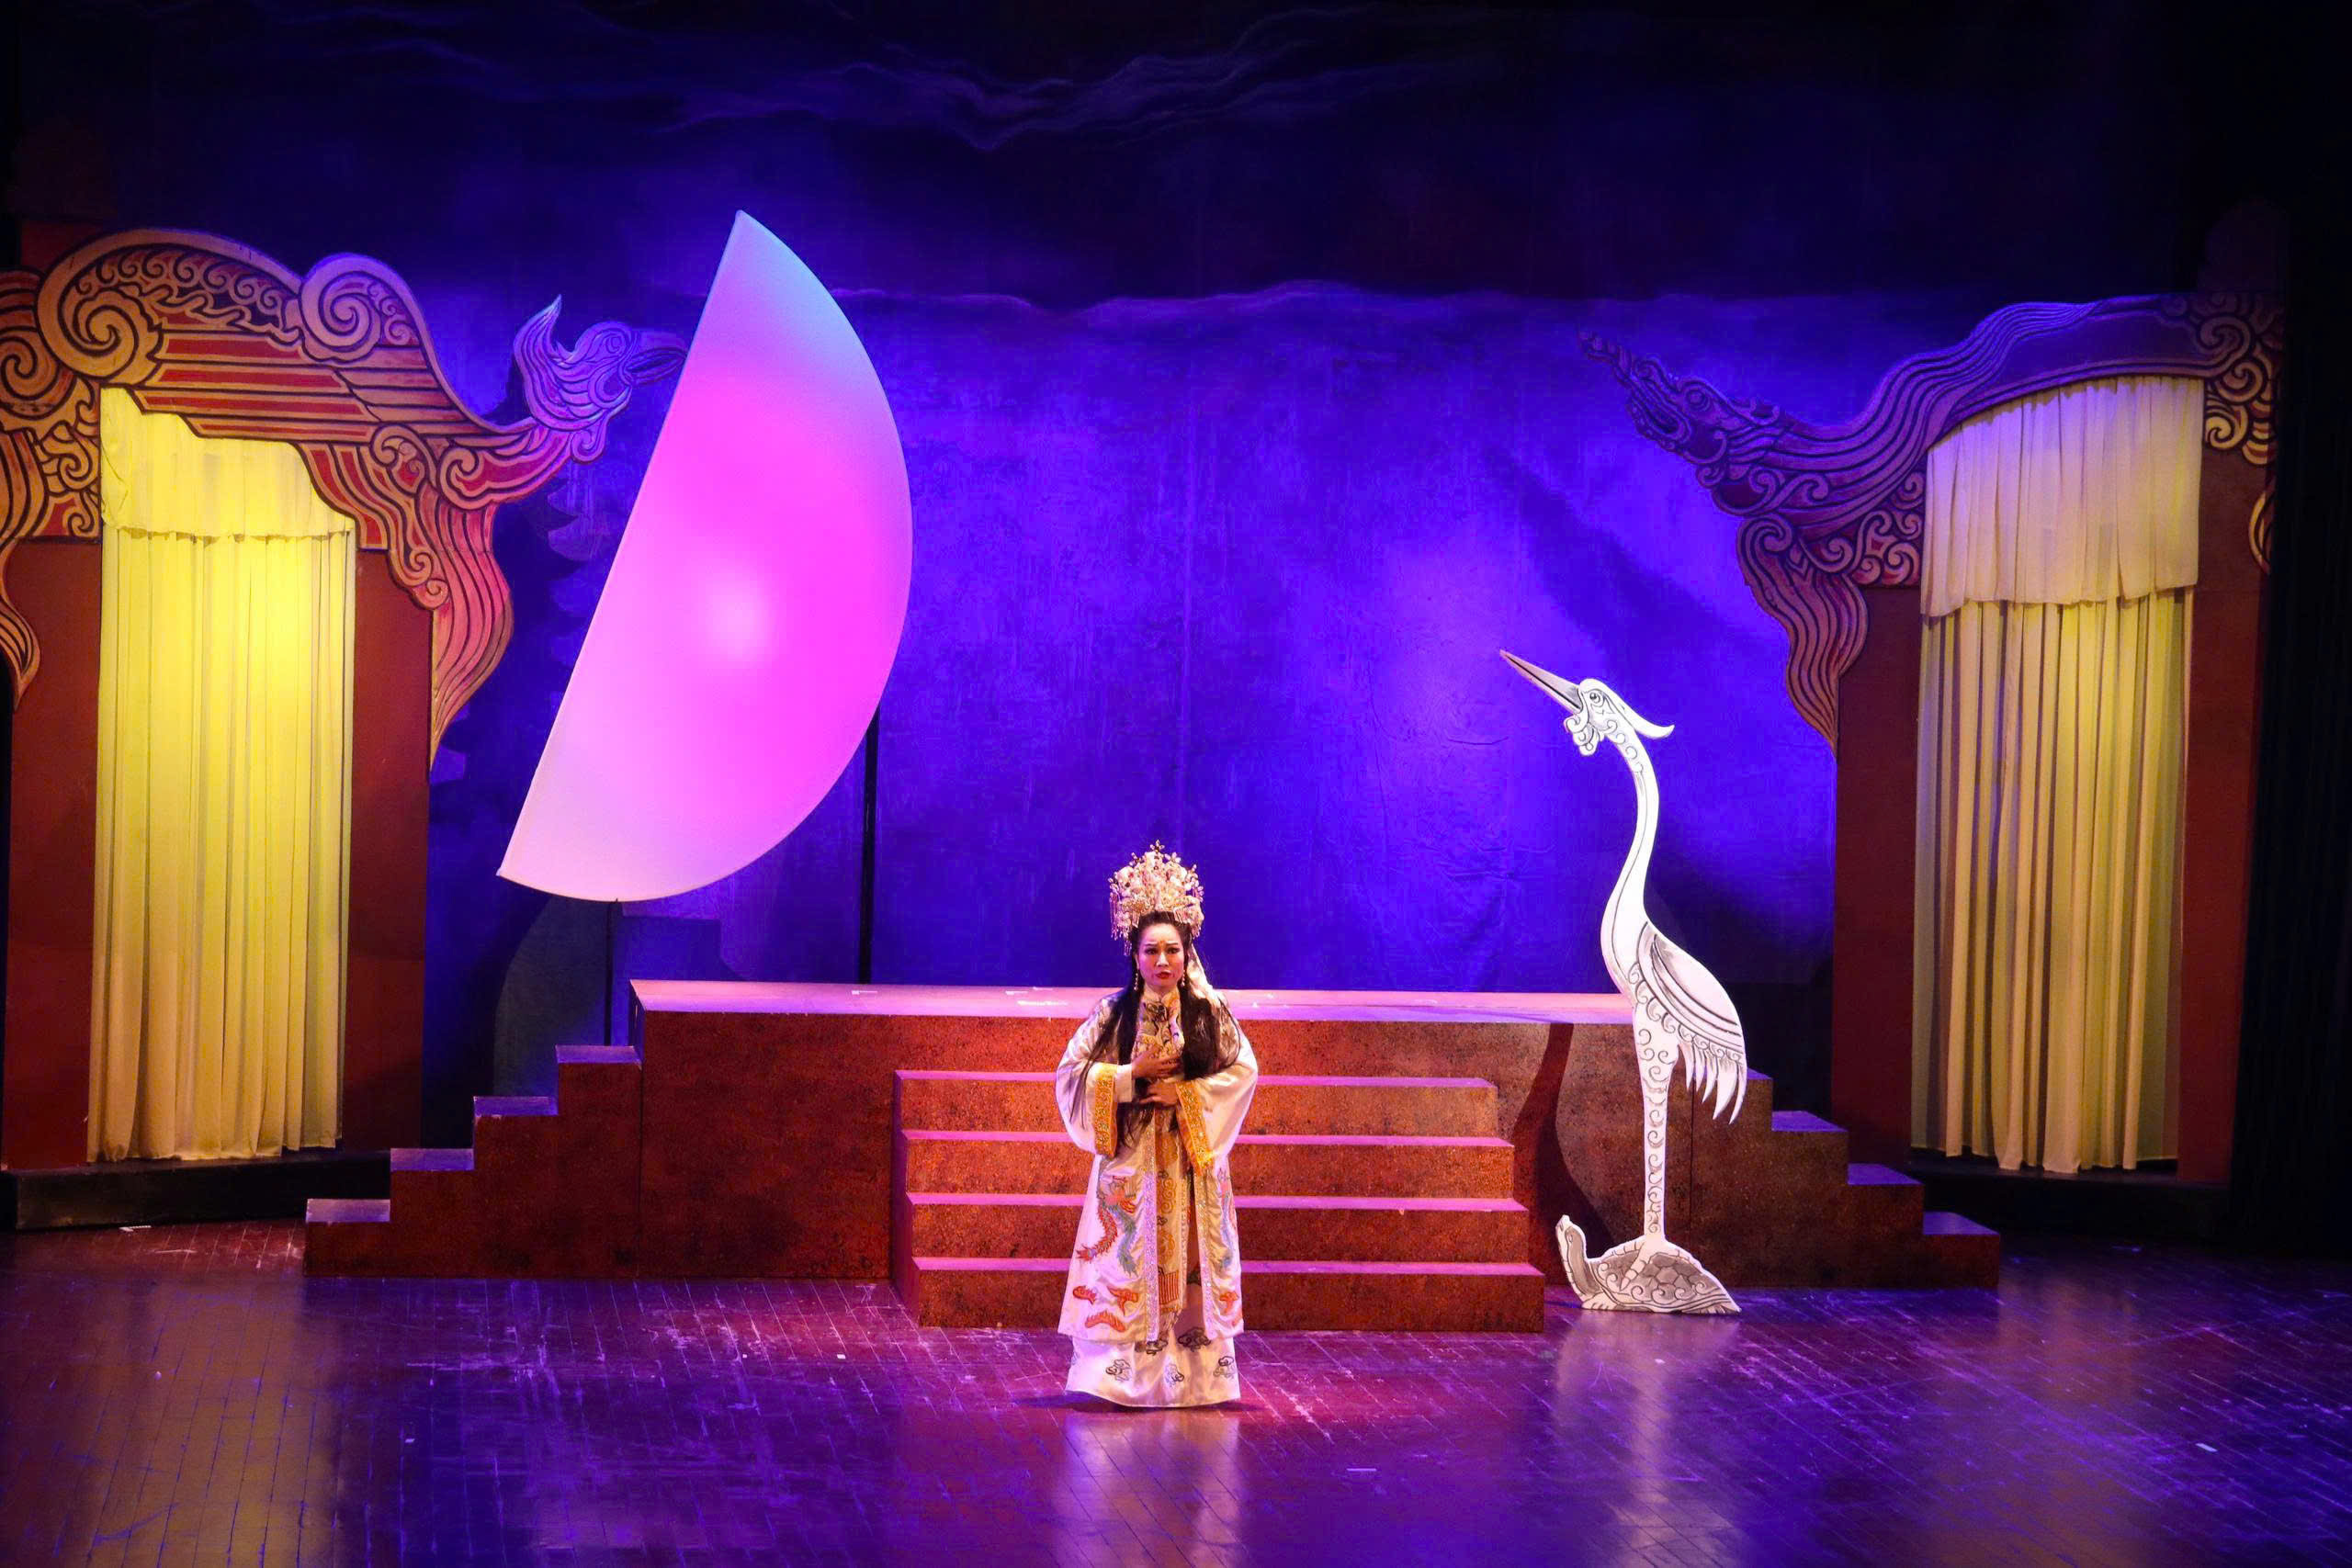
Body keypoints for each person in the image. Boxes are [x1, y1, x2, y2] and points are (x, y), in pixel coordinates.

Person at [1055, 844, 1259, 1406]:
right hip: (1134, 1164)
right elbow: (1070, 1075)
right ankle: (1119, 1379)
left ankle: (1194, 1377)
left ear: (1187, 953)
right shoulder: (1113, 1015)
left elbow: (1244, 1070)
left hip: (1189, 1164)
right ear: (1135, 955)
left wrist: (1185, 1094)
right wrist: (1129, 1077)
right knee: (1128, 1263)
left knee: (1188, 1265)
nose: (1163, 961)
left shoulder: (1209, 1014)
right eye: (1151, 950)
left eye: (1172, 950)